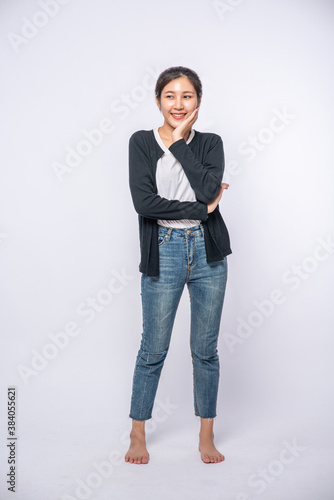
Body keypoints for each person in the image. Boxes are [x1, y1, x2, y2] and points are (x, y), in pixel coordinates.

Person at [124, 66, 232, 465]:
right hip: (164, 248)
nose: (178, 103)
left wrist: (180, 143)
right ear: (158, 101)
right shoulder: (140, 142)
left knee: (205, 350)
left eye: (187, 96)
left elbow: (206, 186)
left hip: (208, 253)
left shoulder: (210, 143)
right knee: (152, 348)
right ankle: (137, 433)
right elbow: (145, 203)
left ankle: (206, 434)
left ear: (197, 104)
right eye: (170, 95)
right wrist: (201, 209)